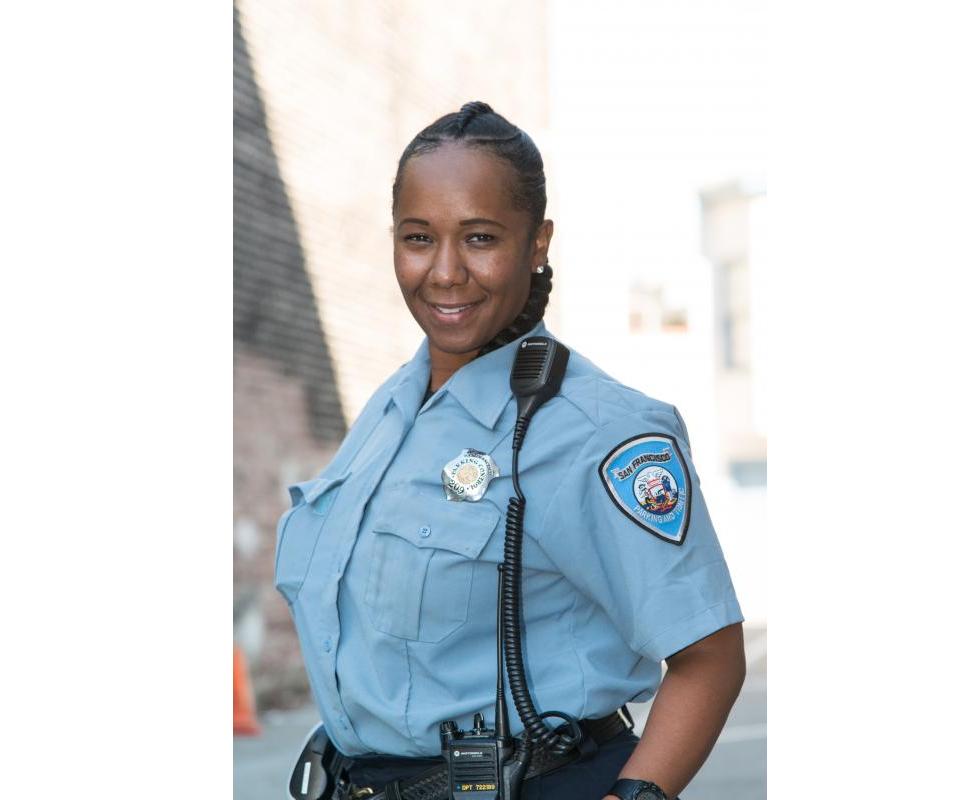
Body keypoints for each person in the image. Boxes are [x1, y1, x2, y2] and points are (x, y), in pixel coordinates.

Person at [275, 101, 746, 800]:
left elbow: (710, 657)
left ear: (537, 243)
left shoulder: (595, 429)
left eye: (481, 238)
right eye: (417, 238)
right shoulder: (392, 407)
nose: (444, 272)